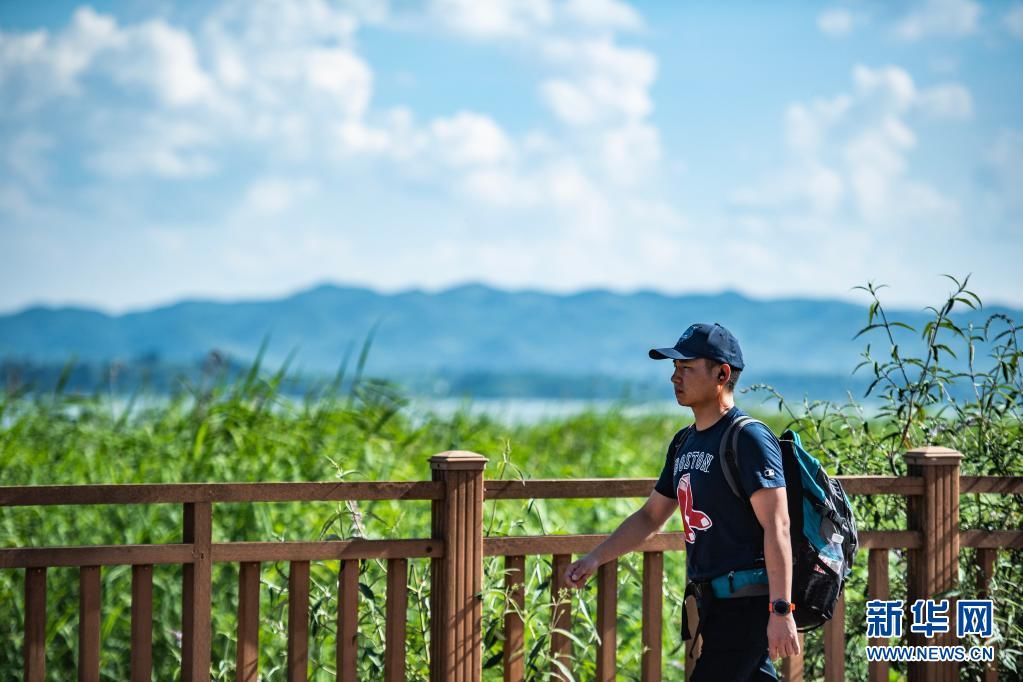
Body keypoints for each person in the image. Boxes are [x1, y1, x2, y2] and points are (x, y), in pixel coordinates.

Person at [563, 322, 800, 680]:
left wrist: (781, 610)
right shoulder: (683, 443)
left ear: (722, 374)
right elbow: (650, 516)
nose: (675, 377)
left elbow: (778, 525)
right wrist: (595, 557)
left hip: (747, 604)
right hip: (712, 606)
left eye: (686, 368)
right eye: (675, 368)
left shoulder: (748, 438)